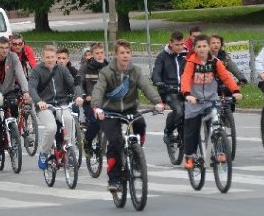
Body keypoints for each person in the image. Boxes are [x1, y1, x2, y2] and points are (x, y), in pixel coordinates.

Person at [91, 40, 165, 190]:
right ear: (115, 55)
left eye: (128, 53)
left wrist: (158, 102)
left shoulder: (135, 71)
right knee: (115, 141)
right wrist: (96, 107)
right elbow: (98, 90)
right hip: (110, 111)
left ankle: (137, 153)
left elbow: (146, 87)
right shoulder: (106, 72)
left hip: (130, 109)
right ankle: (114, 180)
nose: (125, 56)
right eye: (122, 53)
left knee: (140, 124)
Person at [180, 35, 243, 170]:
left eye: (204, 46)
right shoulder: (191, 63)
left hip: (210, 100)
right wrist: (187, 94)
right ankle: (190, 156)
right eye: (199, 46)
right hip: (194, 101)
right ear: (194, 49)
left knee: (215, 124)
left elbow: (226, 76)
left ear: (208, 47)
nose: (202, 49)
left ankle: (219, 151)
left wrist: (235, 90)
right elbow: (185, 79)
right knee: (192, 129)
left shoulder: (215, 62)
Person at [28, 45, 81, 170]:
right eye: (48, 57)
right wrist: (39, 101)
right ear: (42, 58)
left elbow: (73, 84)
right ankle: (44, 152)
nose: (51, 60)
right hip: (45, 106)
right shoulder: (36, 71)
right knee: (51, 128)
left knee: (69, 120)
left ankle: (68, 148)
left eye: (53, 57)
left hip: (61, 104)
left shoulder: (62, 69)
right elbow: (32, 88)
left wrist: (78, 96)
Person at [0, 36, 30, 155]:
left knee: (14, 107)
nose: (4, 50)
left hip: (9, 90)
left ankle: (13, 133)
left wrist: (25, 91)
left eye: (7, 48)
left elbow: (20, 74)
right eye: (1, 48)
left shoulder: (13, 57)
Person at [151, 31, 187, 144]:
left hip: (184, 89)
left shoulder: (186, 55)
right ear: (170, 43)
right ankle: (168, 131)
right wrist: (158, 82)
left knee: (194, 111)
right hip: (168, 90)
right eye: (177, 45)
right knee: (179, 110)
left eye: (182, 44)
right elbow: (156, 72)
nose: (180, 47)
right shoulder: (162, 56)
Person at [78, 42, 107, 153]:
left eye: (102, 53)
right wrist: (84, 96)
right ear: (92, 55)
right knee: (95, 121)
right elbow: (78, 85)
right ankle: (87, 141)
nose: (100, 55)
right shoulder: (85, 68)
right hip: (90, 102)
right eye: (97, 53)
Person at [209, 34, 248, 112]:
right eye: (213, 43)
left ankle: (229, 114)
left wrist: (242, 78)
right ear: (208, 44)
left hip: (222, 80)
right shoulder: (205, 55)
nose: (216, 45)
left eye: (218, 43)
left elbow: (232, 66)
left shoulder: (224, 55)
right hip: (208, 82)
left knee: (230, 91)